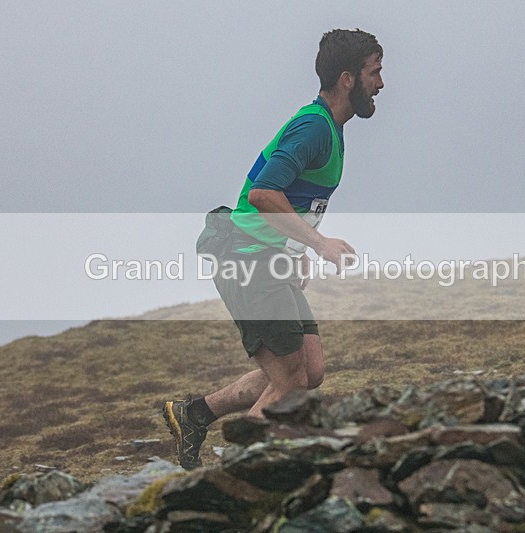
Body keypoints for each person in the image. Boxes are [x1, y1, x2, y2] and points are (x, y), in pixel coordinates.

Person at [164, 28, 384, 469]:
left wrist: (296, 249)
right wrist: (318, 244)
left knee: (309, 372)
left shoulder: (329, 128)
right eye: (374, 72)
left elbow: (294, 198)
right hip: (247, 259)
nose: (380, 84)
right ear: (347, 79)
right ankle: (235, 473)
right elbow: (264, 194)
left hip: (270, 257)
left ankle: (195, 414)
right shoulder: (314, 127)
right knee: (290, 378)